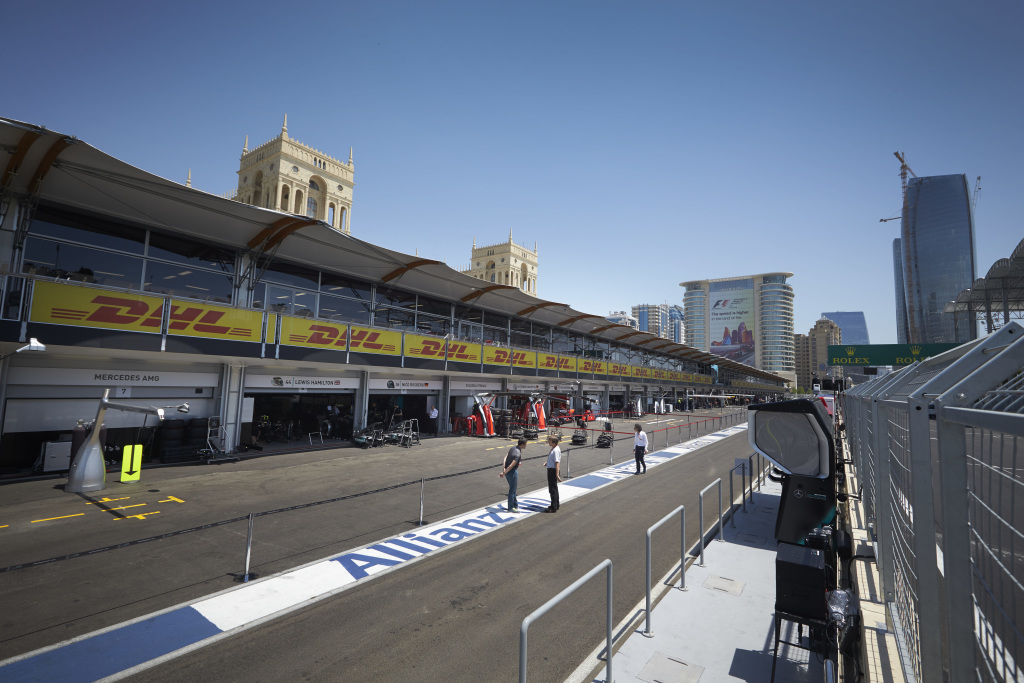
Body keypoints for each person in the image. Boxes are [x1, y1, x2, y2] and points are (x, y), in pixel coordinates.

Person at [499, 437, 526, 512]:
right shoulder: (518, 453)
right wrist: (504, 473)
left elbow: (505, 457)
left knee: (513, 489)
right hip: (512, 472)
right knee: (512, 490)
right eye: (525, 444)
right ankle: (511, 508)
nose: (526, 445)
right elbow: (512, 465)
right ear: (522, 444)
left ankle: (515, 505)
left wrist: (504, 468)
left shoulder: (512, 448)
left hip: (507, 471)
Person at [544, 434, 563, 512]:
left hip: (552, 471)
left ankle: (553, 507)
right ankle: (556, 504)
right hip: (551, 469)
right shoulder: (554, 449)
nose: (549, 442)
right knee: (554, 488)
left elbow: (557, 463)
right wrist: (547, 463)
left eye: (550, 441)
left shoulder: (555, 450)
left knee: (552, 489)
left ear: (553, 442)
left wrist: (557, 474)